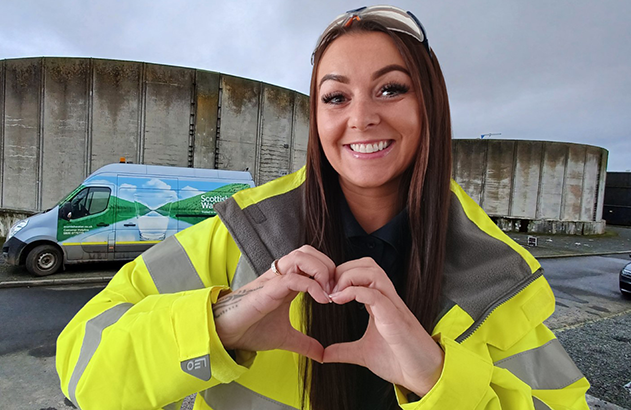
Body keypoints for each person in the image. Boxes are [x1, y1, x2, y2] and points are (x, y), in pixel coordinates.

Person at [56, 5, 590, 410]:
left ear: (430, 105)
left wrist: (437, 378)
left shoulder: (491, 271)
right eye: (336, 97)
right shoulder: (241, 235)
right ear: (318, 118)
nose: (361, 118)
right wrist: (219, 327)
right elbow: (83, 368)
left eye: (391, 89)